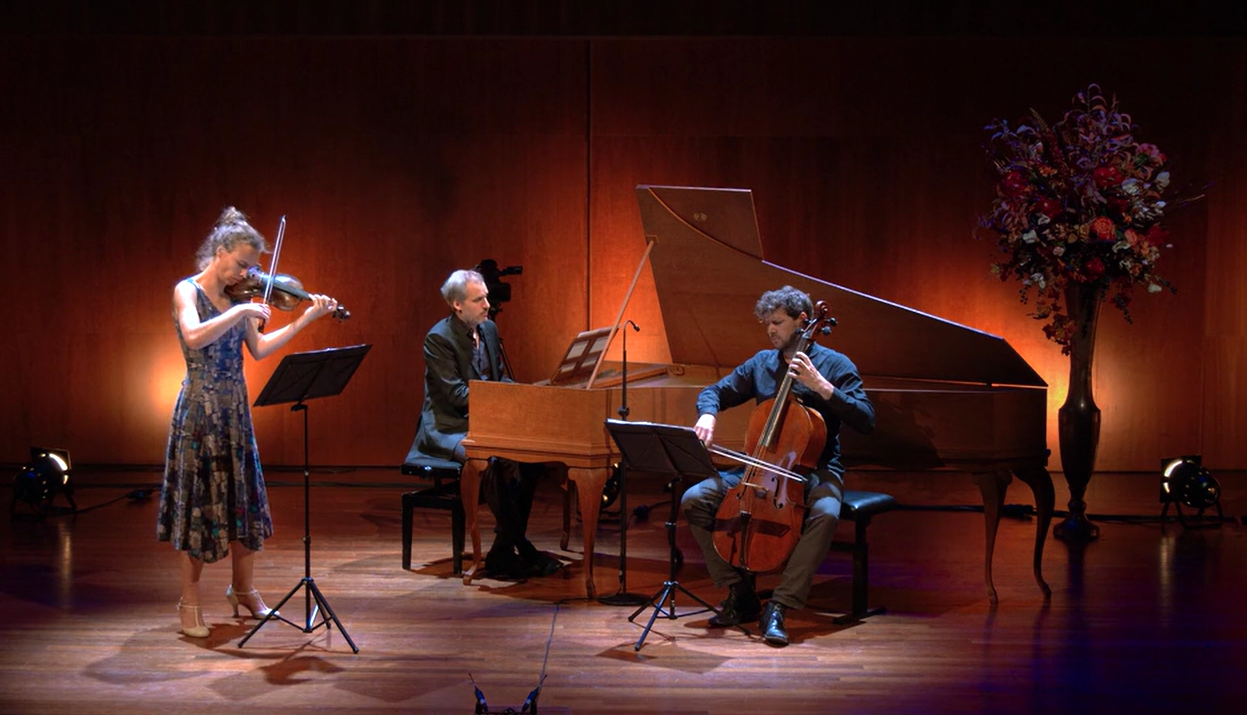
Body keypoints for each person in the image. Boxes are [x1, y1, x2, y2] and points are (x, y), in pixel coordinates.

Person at [157, 207, 339, 639]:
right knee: (199, 510)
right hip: (200, 413)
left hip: (235, 412)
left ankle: (243, 590)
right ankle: (188, 602)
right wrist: (240, 313)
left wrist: (303, 319)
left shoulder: (240, 298)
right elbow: (194, 335)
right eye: (242, 264)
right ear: (219, 253)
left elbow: (257, 350)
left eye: (253, 267)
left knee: (243, 503)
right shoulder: (188, 291)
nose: (248, 275)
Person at [681, 285, 875, 646]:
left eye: (777, 322)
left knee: (827, 513)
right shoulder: (761, 363)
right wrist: (707, 414)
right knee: (695, 499)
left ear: (804, 322)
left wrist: (822, 387)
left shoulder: (835, 365)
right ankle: (740, 593)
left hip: (815, 470)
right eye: (766, 323)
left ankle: (781, 605)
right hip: (756, 468)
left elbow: (866, 419)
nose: (770, 330)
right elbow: (715, 392)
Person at [408, 269, 560, 580]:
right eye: (479, 300)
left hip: (485, 421)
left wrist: (521, 393)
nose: (487, 304)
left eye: (486, 297)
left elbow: (497, 379)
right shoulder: (439, 338)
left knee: (532, 459)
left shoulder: (488, 329)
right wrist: (502, 399)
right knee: (488, 461)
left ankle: (502, 551)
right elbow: (456, 395)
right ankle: (522, 547)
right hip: (448, 427)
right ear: (457, 305)